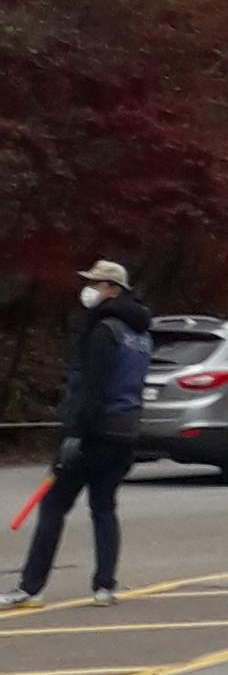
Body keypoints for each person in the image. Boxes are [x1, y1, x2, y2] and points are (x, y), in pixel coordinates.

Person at [15, 258, 154, 608]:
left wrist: (74, 434)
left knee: (53, 506)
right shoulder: (140, 336)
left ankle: (30, 588)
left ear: (113, 289)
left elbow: (92, 388)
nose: (89, 289)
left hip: (93, 431)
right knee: (103, 508)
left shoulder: (104, 330)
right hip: (125, 432)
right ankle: (104, 586)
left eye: (96, 283)